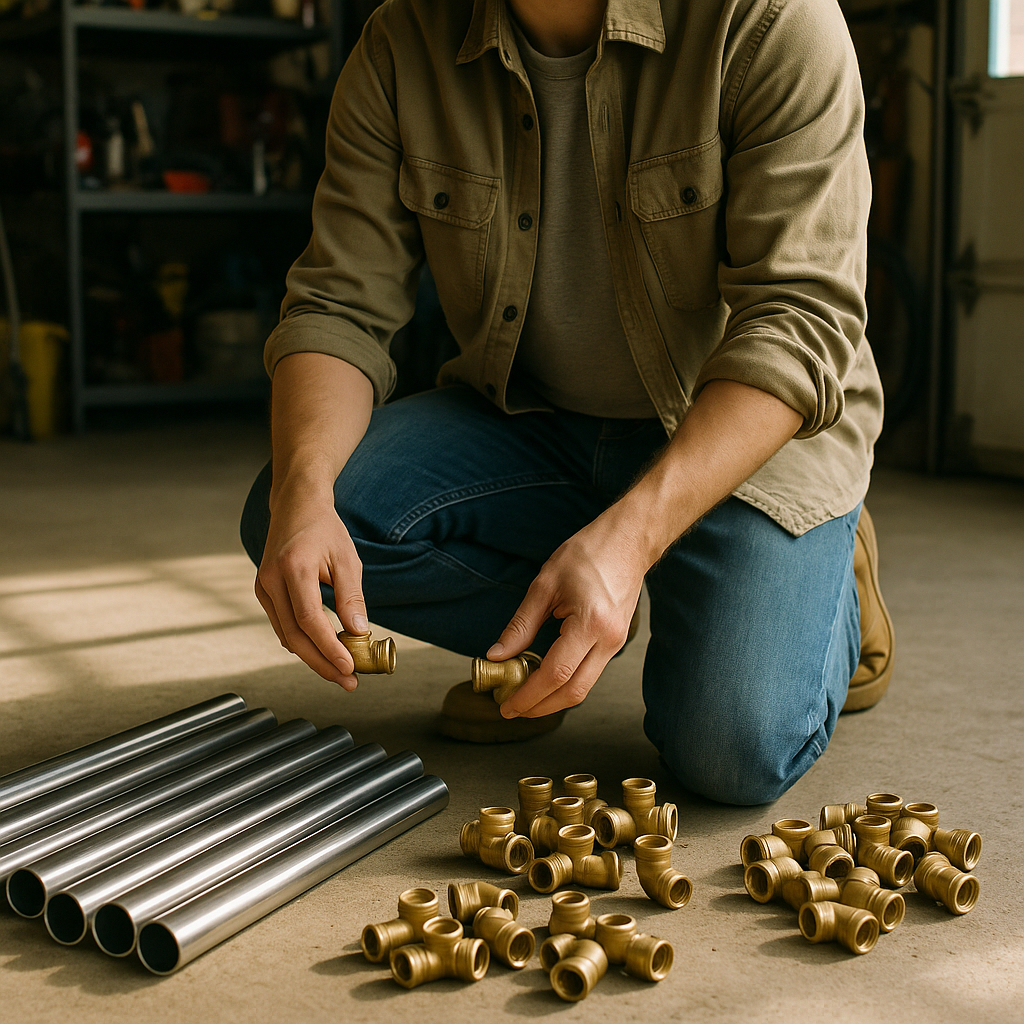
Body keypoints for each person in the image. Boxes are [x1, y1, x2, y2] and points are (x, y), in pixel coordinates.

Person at [240, 0, 894, 805]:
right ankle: (564, 625)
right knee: (304, 513)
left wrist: (633, 538)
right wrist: (302, 492)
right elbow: (339, 306)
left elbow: (800, 321)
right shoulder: (402, 40)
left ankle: (828, 569)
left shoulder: (772, 18)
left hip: (744, 441)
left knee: (732, 751)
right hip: (533, 424)